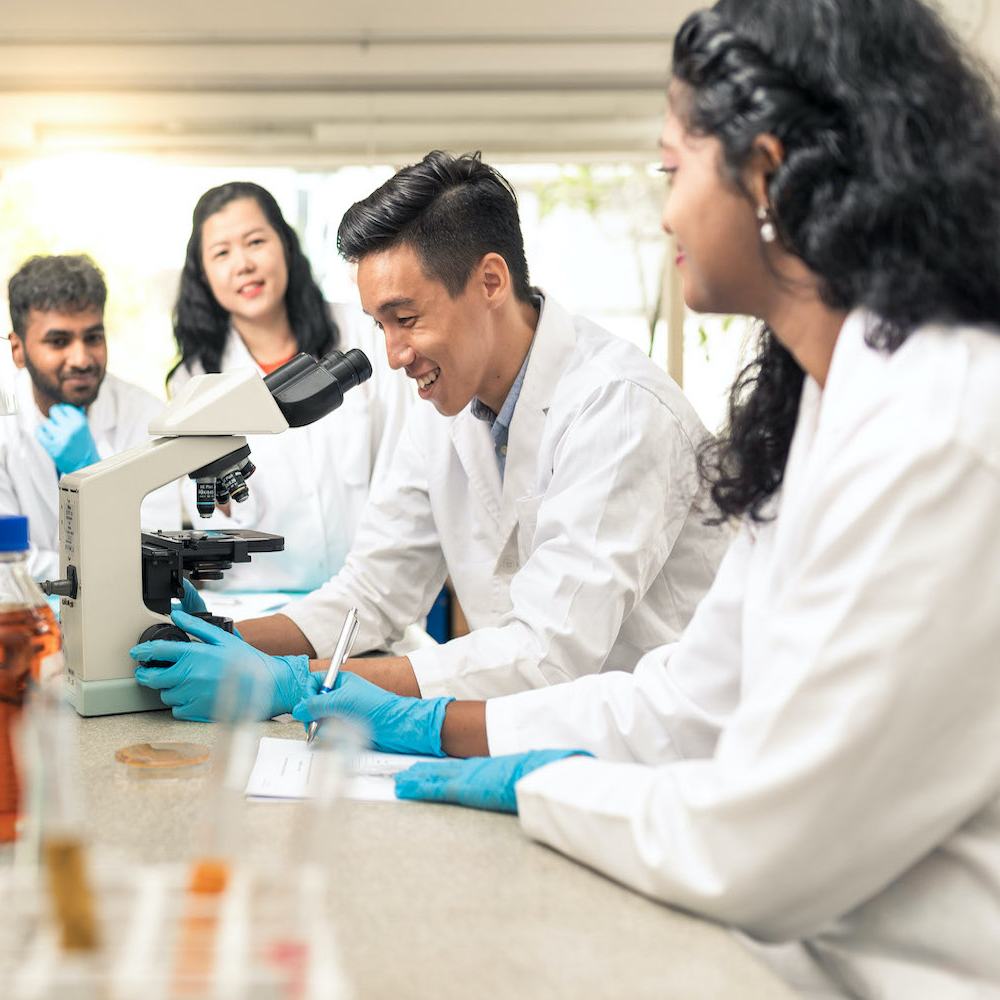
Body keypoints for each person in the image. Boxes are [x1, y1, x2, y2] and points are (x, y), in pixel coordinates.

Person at [283, 0, 1000, 993]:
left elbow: (762, 847)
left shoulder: (943, 426)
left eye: (673, 169)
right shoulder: (822, 406)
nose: (663, 210)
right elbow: (689, 701)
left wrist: (541, 783)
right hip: (776, 937)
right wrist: (453, 728)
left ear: (767, 172)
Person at [133, 153, 731, 719]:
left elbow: (547, 655)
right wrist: (220, 639)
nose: (392, 355)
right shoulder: (447, 407)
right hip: (544, 728)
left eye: (406, 319)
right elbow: (374, 590)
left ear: (491, 282)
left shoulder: (617, 408)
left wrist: (291, 682)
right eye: (379, 325)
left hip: (660, 747)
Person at [168, 182, 411, 596]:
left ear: (285, 245)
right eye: (222, 253)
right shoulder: (194, 380)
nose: (243, 264)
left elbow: (403, 457)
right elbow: (210, 517)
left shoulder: (362, 330)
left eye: (255, 241)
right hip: (258, 602)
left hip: (367, 597)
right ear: (203, 274)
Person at [0, 254, 179, 579]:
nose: (82, 358)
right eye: (58, 341)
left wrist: (93, 475)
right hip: (27, 619)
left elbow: (156, 558)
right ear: (17, 350)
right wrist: (100, 569)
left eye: (93, 338)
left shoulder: (147, 418)